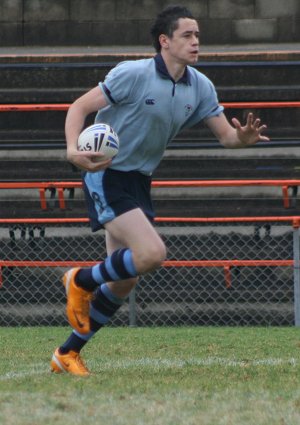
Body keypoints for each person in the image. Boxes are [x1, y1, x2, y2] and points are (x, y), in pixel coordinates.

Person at [50, 5, 269, 376]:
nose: (196, 42)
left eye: (198, 35)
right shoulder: (132, 74)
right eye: (187, 35)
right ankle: (80, 279)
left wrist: (243, 139)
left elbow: (226, 137)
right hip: (108, 174)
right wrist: (73, 150)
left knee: (125, 279)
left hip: (139, 180)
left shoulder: (200, 85)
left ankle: (67, 353)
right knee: (151, 253)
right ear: (164, 41)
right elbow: (79, 108)